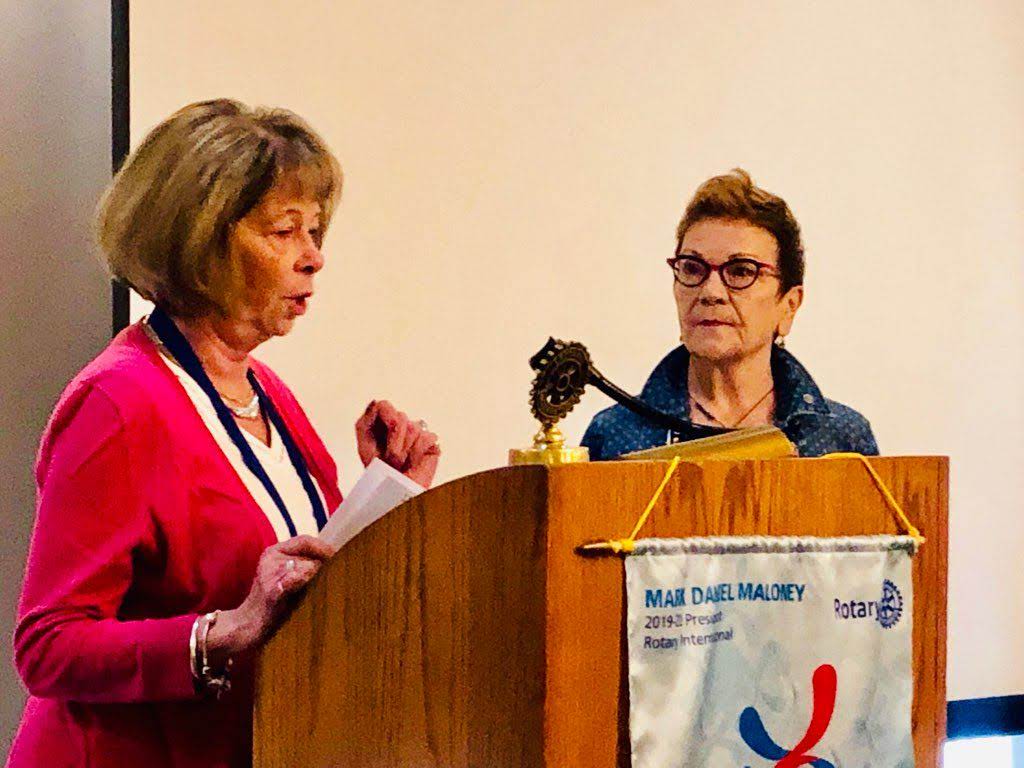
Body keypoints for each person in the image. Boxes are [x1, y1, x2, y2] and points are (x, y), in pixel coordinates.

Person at [7, 99, 440, 767]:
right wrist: (224, 633)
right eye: (284, 231)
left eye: (315, 231)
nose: (314, 258)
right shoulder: (117, 402)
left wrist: (387, 493)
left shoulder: (270, 394)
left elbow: (302, 587)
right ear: (202, 242)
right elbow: (49, 647)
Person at [582, 169, 877, 460]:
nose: (711, 292)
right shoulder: (615, 434)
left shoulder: (839, 438)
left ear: (789, 306)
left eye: (741, 271)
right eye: (692, 268)